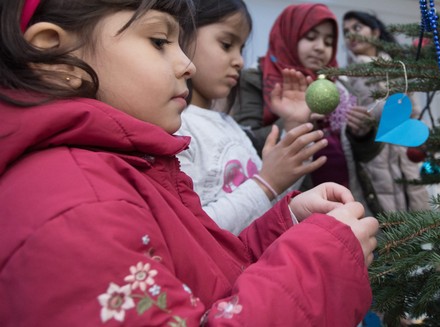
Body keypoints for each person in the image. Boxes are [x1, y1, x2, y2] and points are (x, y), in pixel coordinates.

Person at [0, 0, 380, 325]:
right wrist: (322, 261)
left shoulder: (131, 167)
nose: (187, 64)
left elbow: (202, 268)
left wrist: (286, 225)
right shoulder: (77, 208)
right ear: (55, 57)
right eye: (159, 41)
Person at [176, 0, 327, 235]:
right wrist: (266, 183)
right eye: (226, 44)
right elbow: (194, 232)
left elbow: (270, 203)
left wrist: (295, 123)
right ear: (180, 36)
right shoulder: (178, 128)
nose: (240, 60)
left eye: (241, 48)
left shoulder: (229, 125)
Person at [232, 3, 384, 216]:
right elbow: (243, 143)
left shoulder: (340, 85)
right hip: (294, 211)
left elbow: (364, 156)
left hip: (348, 202)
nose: (321, 47)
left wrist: (362, 134)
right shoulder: (257, 79)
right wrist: (294, 122)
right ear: (289, 35)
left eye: (328, 41)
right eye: (311, 37)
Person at [342, 10, 431, 212]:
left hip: (406, 158)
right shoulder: (347, 76)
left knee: (417, 220)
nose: (351, 36)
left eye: (357, 28)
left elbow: (414, 113)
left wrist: (421, 142)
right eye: (346, 32)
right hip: (374, 160)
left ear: (374, 32)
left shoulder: (398, 70)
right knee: (386, 227)